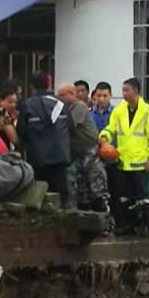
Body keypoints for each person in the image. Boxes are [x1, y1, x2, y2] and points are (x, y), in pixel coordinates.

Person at [100, 77, 149, 236]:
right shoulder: (119, 111)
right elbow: (111, 128)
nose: (123, 94)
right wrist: (104, 138)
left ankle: (144, 225)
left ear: (136, 91)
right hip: (123, 162)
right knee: (124, 198)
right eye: (123, 90)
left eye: (126, 90)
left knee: (143, 198)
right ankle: (128, 224)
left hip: (141, 163)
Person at [17, 72, 72, 204]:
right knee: (61, 198)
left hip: (37, 159)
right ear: (49, 85)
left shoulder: (26, 105)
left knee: (40, 198)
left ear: (31, 86)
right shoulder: (61, 104)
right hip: (61, 158)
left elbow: (21, 132)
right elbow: (72, 129)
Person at [56, 82, 108, 212]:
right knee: (81, 187)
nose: (59, 98)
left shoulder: (79, 107)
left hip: (89, 151)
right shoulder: (66, 108)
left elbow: (69, 126)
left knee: (96, 186)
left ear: (72, 94)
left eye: (62, 95)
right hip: (78, 152)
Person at [0, 83, 20, 149]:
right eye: (10, 102)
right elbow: (13, 138)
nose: (13, 105)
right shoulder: (2, 113)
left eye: (15, 102)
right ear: (1, 100)